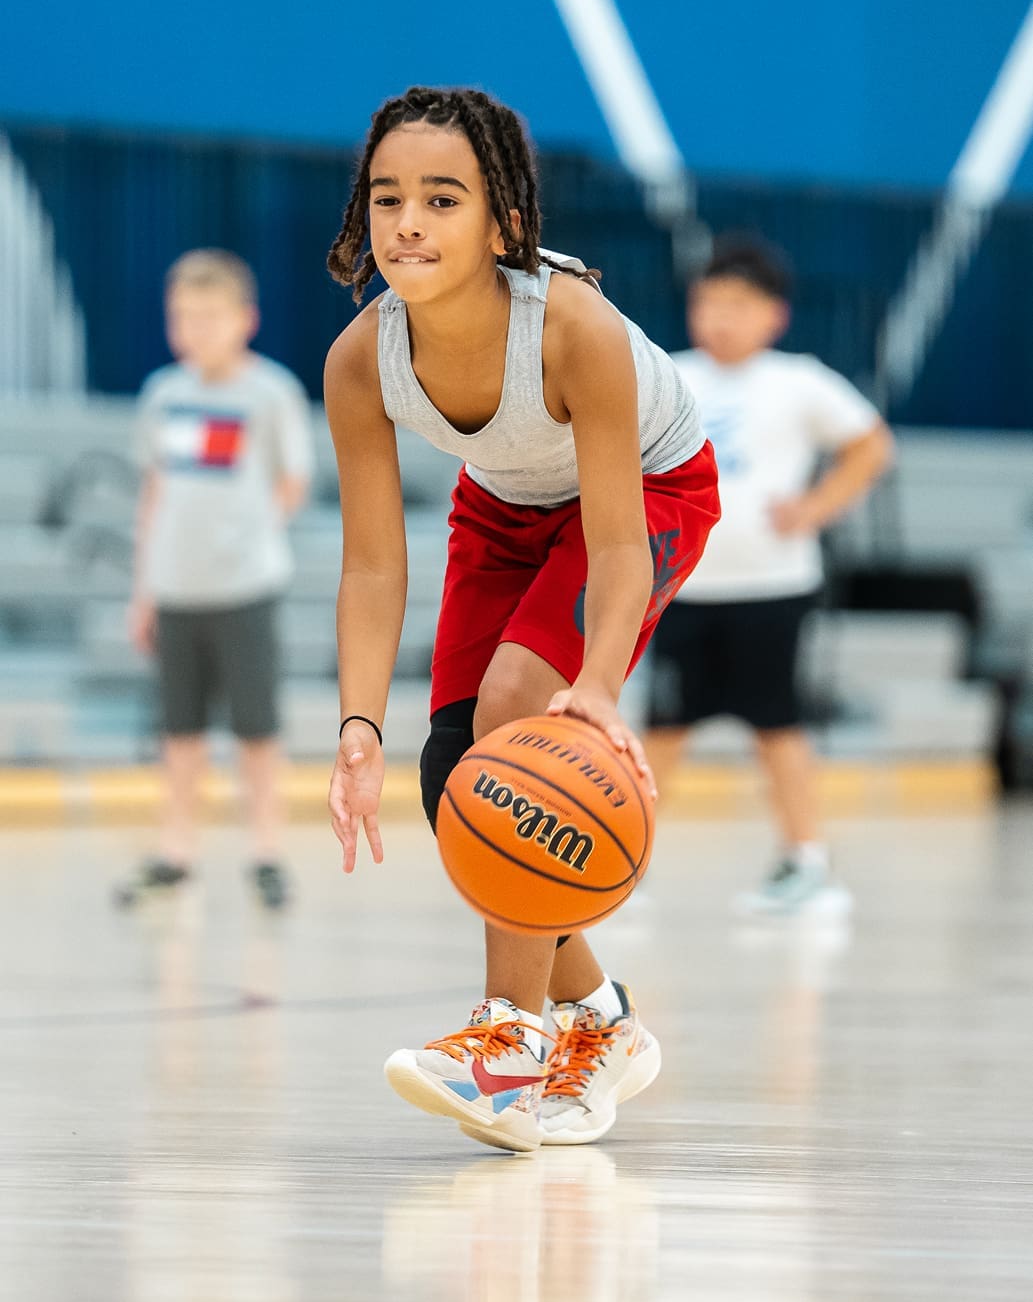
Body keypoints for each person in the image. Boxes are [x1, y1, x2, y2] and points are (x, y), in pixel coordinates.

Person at [323, 86, 721, 1153]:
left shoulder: (572, 329)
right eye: (388, 197)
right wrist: (359, 725)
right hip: (502, 501)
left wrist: (591, 685)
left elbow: (621, 539)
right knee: (459, 776)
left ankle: (508, 1046)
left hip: (648, 488)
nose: (408, 221)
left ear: (504, 223)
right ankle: (599, 1020)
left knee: (515, 709)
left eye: (443, 198)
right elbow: (370, 566)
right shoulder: (361, 359)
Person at [642, 234, 894, 915]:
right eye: (707, 301)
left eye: (736, 304)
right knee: (661, 730)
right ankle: (620, 866)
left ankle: (805, 862)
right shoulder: (667, 373)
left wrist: (816, 507)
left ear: (772, 315)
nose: (719, 316)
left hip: (773, 589)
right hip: (679, 588)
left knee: (776, 727)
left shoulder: (798, 380)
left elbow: (871, 444)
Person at [119, 249, 314, 910]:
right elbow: (153, 494)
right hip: (175, 591)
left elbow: (293, 479)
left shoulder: (270, 394)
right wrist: (143, 591)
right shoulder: (163, 395)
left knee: (256, 733)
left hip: (244, 591)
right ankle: (176, 852)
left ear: (244, 319)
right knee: (179, 734)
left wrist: (252, 532)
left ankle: (266, 852)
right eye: (183, 317)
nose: (195, 329)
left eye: (209, 315)